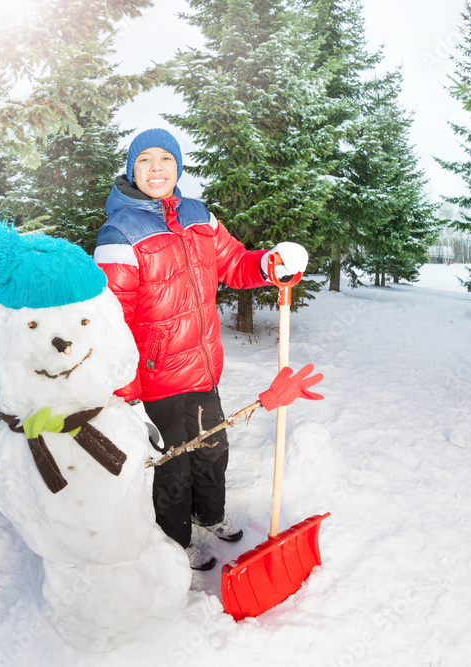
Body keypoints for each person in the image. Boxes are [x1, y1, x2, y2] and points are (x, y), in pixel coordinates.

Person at [94, 128, 308, 571]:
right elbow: (112, 323)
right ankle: (174, 542)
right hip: (155, 383)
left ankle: (209, 516)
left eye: (166, 159)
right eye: (146, 160)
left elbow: (233, 262)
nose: (157, 168)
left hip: (204, 367)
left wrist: (270, 263)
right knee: (171, 471)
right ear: (132, 168)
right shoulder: (120, 232)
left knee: (212, 451)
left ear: (178, 167)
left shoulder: (198, 215)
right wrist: (127, 395)